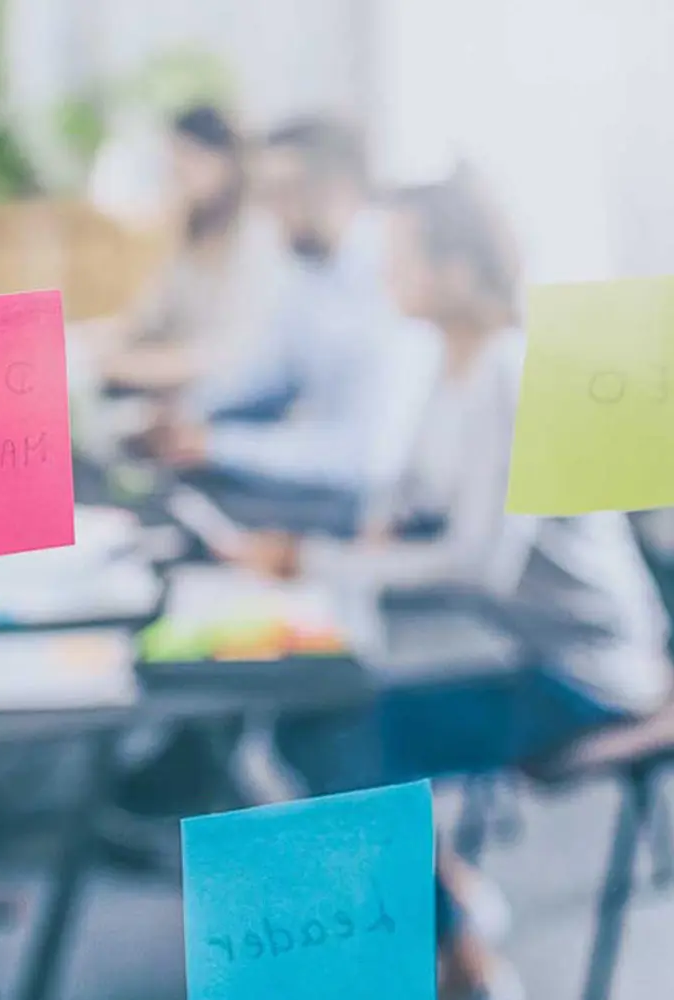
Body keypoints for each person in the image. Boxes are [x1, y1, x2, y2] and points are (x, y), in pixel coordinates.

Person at [222, 164, 674, 999]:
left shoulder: (509, 369)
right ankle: (446, 902)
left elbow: (479, 561)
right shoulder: (449, 361)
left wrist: (317, 562)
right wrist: (378, 525)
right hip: (500, 640)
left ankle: (459, 951)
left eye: (403, 260)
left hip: (583, 667)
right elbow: (423, 493)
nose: (385, 278)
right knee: (312, 730)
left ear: (459, 273)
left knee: (348, 742)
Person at [151, 116, 440, 536]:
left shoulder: (394, 277)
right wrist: (187, 414)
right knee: (171, 498)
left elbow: (364, 460)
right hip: (325, 483)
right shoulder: (313, 268)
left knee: (189, 522)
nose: (268, 211)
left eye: (283, 192)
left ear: (339, 190)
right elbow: (271, 372)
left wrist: (216, 445)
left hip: (368, 508)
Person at [100, 105, 284, 398]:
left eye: (189, 160)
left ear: (227, 163)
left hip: (222, 397)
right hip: (167, 389)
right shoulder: (185, 230)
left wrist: (125, 366)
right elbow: (148, 316)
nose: (179, 174)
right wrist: (105, 346)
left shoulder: (257, 238)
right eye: (173, 163)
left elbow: (228, 355)